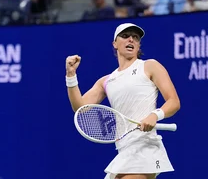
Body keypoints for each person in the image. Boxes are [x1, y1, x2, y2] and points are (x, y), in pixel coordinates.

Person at [65, 23, 180, 179]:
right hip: (124, 150)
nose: (131, 40)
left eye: (136, 38)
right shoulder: (106, 81)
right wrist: (71, 76)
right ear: (115, 44)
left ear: (139, 45)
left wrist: (155, 115)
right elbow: (80, 108)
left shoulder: (150, 66)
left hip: (146, 149)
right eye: (125, 36)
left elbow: (173, 102)